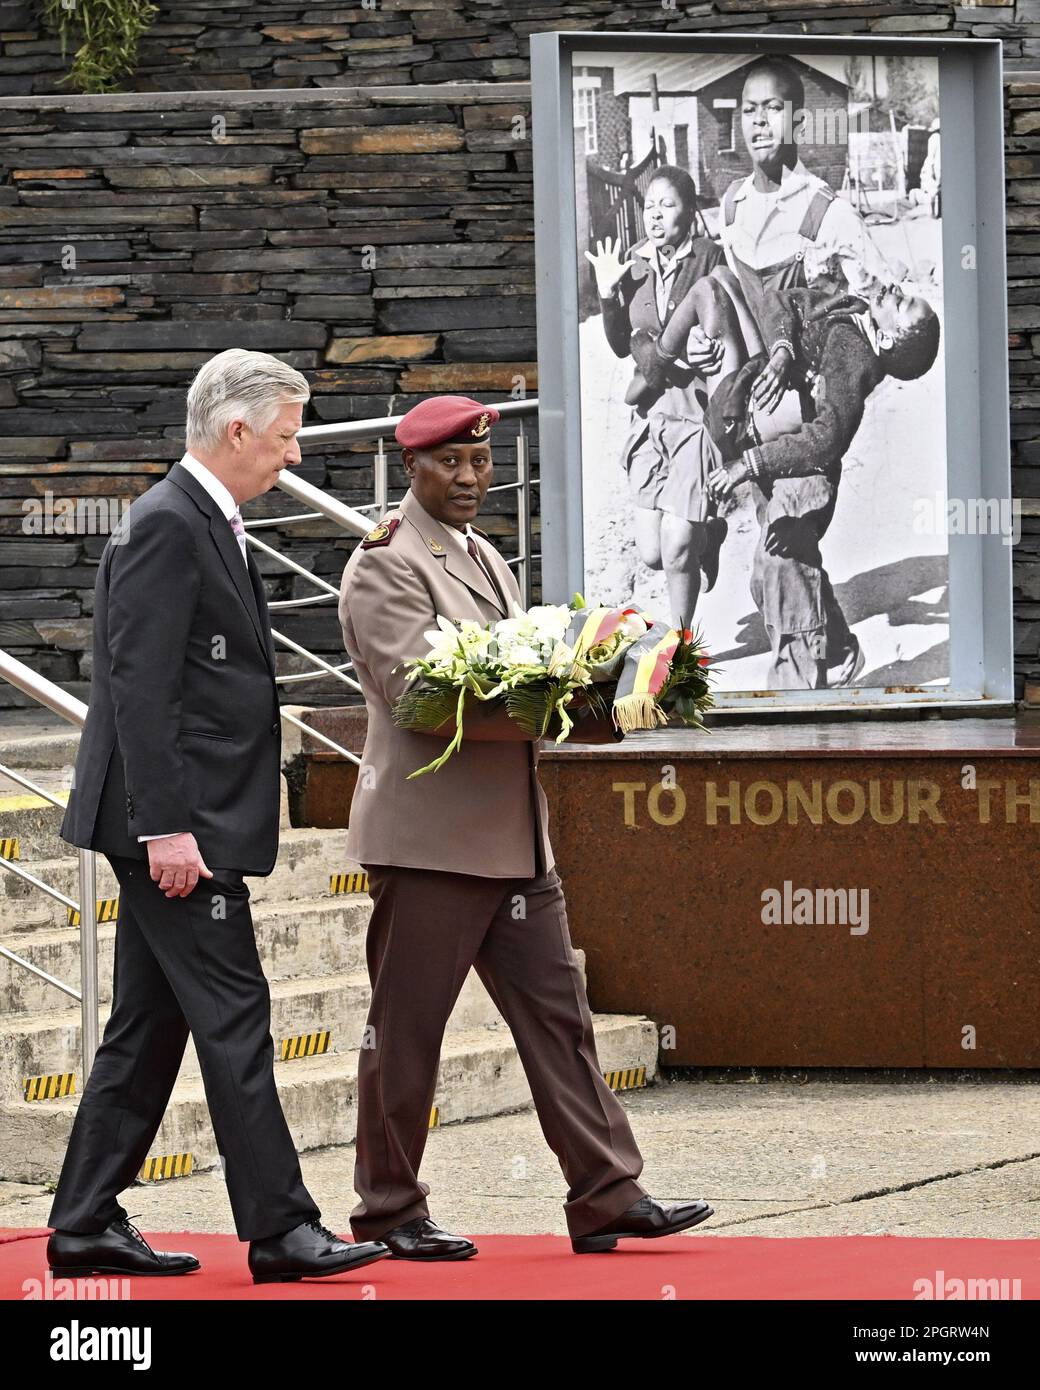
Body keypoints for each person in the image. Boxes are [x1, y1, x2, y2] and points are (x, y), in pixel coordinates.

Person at [337, 394, 715, 1257]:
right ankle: (389, 1212)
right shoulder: (385, 564)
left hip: (513, 840)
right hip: (431, 843)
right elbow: (421, 699)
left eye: (480, 463)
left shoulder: (486, 558)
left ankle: (607, 1193)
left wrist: (616, 697)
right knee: (405, 1034)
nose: (471, 478)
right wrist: (571, 714)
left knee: (561, 1020)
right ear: (413, 469)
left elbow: (527, 676)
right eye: (450, 464)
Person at [47, 349, 390, 1285]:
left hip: (184, 821)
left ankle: (83, 1223)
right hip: (172, 829)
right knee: (236, 1017)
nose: (294, 460)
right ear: (236, 431)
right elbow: (140, 689)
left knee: (146, 1029)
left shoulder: (204, 518)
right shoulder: (168, 524)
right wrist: (166, 830)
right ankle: (281, 1228)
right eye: (284, 440)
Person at [716, 55, 907, 688]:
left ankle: (795, 701)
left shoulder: (830, 213)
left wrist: (830, 374)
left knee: (779, 558)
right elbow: (733, 306)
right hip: (752, 414)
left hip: (809, 423)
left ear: (797, 118)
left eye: (772, 108)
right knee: (773, 563)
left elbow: (877, 319)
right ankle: (837, 649)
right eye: (749, 110)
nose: (759, 121)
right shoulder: (732, 206)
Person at [585, 166, 728, 627]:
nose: (656, 215)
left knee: (676, 542)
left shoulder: (711, 257)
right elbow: (619, 340)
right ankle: (710, 535)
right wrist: (609, 294)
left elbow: (726, 328)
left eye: (668, 205)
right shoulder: (635, 261)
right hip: (649, 410)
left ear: (689, 210)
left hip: (695, 410)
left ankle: (682, 643)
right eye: (650, 206)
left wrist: (710, 344)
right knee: (651, 553)